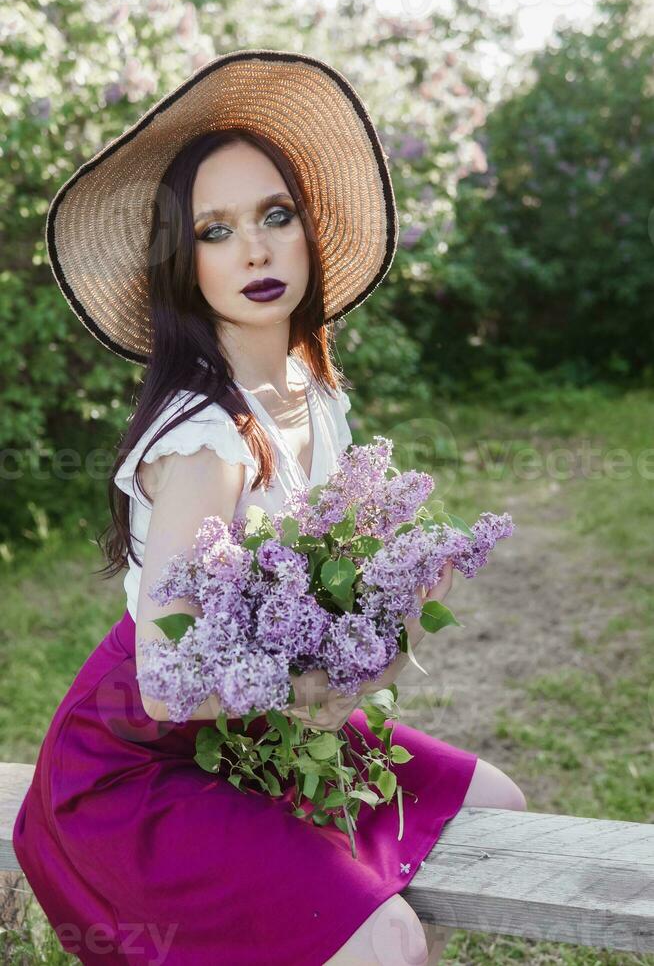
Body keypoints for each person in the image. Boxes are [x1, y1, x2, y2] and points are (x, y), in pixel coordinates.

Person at [13, 50, 527, 965]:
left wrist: (392, 625)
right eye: (215, 230)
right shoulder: (204, 445)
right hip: (141, 762)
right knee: (385, 940)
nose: (254, 250)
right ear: (185, 265)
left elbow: (337, 592)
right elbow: (171, 683)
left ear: (308, 233)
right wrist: (311, 692)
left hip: (258, 726)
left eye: (275, 216)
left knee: (500, 807)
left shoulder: (309, 388)